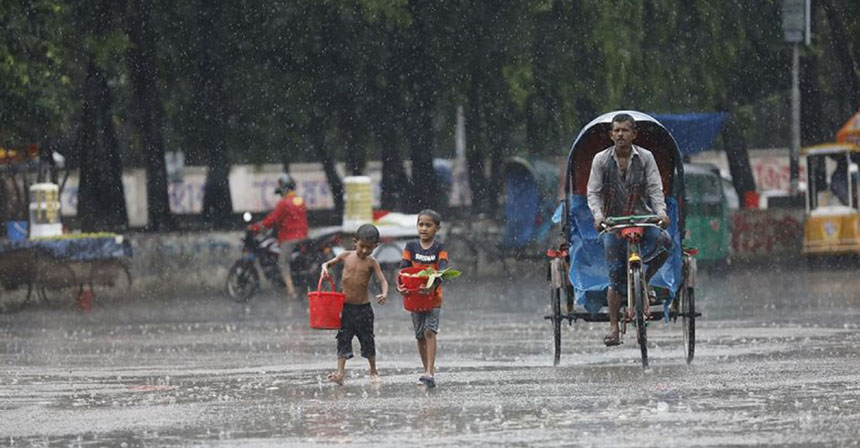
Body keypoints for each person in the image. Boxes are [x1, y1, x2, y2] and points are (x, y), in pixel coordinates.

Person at [586, 113, 672, 347]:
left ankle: (644, 277)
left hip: (643, 218)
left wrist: (661, 213)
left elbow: (655, 188)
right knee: (614, 277)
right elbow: (592, 192)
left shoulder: (645, 158)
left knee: (666, 243)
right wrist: (599, 217)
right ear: (611, 134)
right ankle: (614, 328)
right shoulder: (601, 160)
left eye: (625, 130)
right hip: (613, 223)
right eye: (617, 131)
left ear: (634, 134)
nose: (621, 134)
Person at [321, 224, 388, 385]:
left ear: (375, 246)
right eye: (362, 246)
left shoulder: (372, 263)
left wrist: (384, 293)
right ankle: (340, 373)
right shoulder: (345, 256)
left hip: (363, 308)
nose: (365, 251)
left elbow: (383, 280)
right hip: (346, 308)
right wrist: (324, 269)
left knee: (367, 340)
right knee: (343, 338)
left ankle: (373, 371)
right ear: (355, 242)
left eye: (369, 248)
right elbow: (327, 264)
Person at [397, 209, 448, 388]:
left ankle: (430, 371)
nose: (424, 228)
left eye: (428, 225)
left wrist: (433, 285)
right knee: (419, 335)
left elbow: (442, 270)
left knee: (429, 331)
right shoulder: (411, 247)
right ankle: (425, 368)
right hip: (414, 297)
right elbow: (403, 270)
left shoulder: (439, 247)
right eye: (421, 224)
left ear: (437, 228)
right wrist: (400, 286)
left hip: (433, 297)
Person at [248, 173, 308, 299]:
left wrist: (257, 227)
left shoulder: (284, 203)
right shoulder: (300, 201)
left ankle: (291, 291)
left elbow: (272, 220)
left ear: (284, 189)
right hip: (304, 237)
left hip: (290, 239)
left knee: (282, 262)